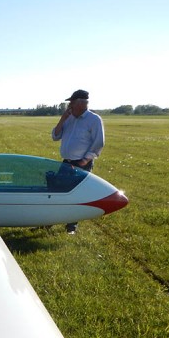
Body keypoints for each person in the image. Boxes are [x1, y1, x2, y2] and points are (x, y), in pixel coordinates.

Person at [52, 89, 105, 234]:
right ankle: (49, 221)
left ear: (81, 104)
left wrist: (85, 160)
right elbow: (55, 136)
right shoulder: (69, 118)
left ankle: (71, 226)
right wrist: (62, 119)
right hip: (66, 162)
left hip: (82, 163)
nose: (69, 107)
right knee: (58, 192)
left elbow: (98, 142)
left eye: (72, 103)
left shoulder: (94, 120)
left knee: (75, 194)